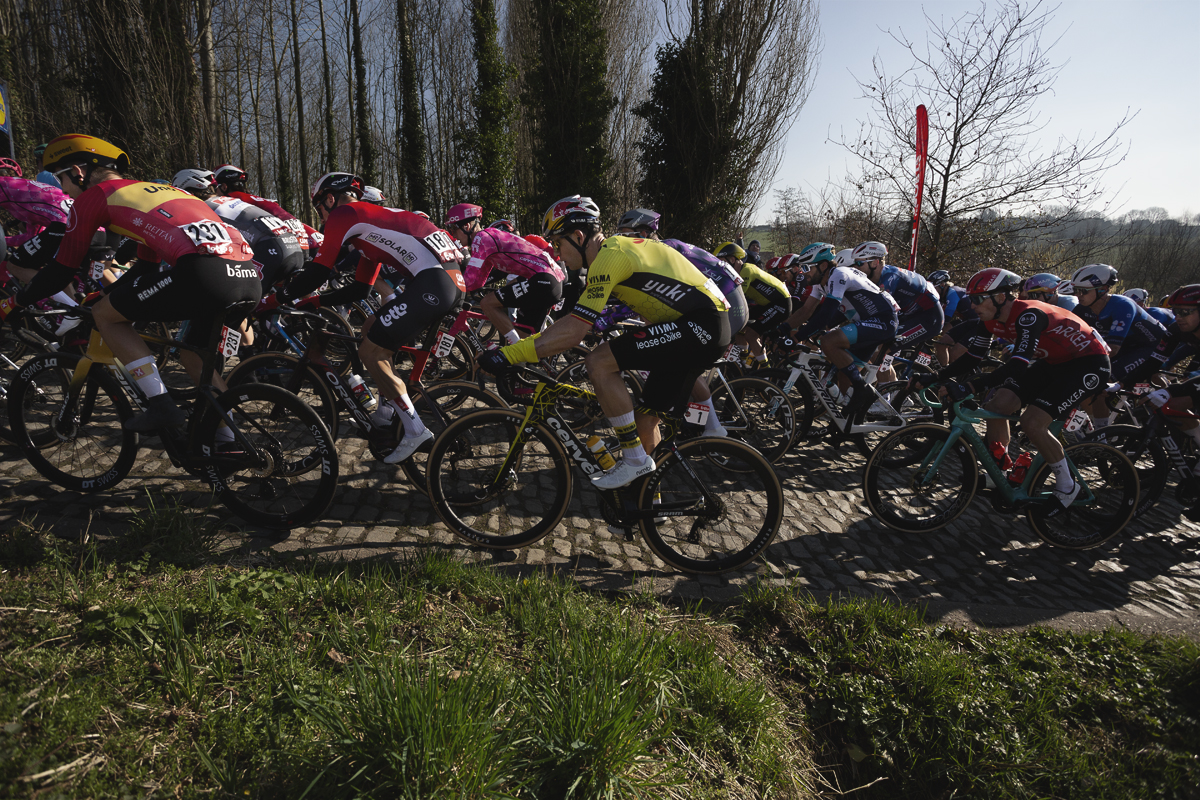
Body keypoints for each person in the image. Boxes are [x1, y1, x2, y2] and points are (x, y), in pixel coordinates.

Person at [0, 134, 261, 432]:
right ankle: (230, 438)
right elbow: (146, 269)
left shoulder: (95, 196)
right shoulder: (161, 190)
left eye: (61, 179)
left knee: (105, 317)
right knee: (191, 353)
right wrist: (106, 293)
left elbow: (62, 270)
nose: (62, 189)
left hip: (204, 273)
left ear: (78, 171)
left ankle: (162, 406)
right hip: (248, 275)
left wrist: (16, 302)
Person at [477, 195, 732, 489]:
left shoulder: (610, 257)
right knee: (645, 421)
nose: (557, 254)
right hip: (704, 326)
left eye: (558, 243)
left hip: (700, 326)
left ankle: (634, 459)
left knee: (599, 361)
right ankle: (647, 501)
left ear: (578, 236)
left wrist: (509, 355)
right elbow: (579, 322)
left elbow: (573, 332)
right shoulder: (615, 251)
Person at [261, 172, 466, 464]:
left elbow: (320, 270)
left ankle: (414, 429)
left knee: (371, 351)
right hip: (447, 281)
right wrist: (317, 300)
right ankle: (385, 412)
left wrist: (275, 299)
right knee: (371, 326)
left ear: (330, 199)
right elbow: (361, 288)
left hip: (434, 284)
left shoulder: (345, 214)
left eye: (319, 208)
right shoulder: (371, 226)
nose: (321, 217)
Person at [912, 268, 1111, 511]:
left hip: (1088, 364)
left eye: (977, 299)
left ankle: (1068, 485)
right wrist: (934, 376)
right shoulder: (990, 320)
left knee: (1033, 422)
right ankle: (1003, 473)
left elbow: (1017, 365)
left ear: (1000, 297)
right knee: (997, 405)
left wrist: (972, 385)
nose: (972, 305)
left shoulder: (1029, 315)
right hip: (1054, 363)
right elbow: (973, 357)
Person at [616, 207, 748, 438]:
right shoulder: (661, 247)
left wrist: (607, 316)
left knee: (684, 362)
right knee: (681, 365)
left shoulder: (661, 250)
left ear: (644, 234)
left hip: (728, 303)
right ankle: (696, 422)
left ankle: (713, 428)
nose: (623, 241)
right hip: (724, 299)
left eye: (627, 235)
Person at [785, 243, 899, 418]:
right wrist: (780, 330)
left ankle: (862, 390)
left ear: (823, 265)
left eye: (807, 267)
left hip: (883, 321)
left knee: (829, 341)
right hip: (868, 324)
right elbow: (805, 311)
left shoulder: (839, 275)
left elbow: (826, 315)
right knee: (844, 375)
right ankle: (851, 424)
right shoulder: (820, 283)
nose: (803, 272)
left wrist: (797, 338)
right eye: (801, 267)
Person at [445, 202, 566, 345]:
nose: (453, 235)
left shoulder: (481, 238)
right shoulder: (488, 238)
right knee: (526, 339)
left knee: (487, 303)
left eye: (453, 229)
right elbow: (476, 282)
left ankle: (516, 349)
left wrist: (446, 286)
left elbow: (469, 279)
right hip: (551, 279)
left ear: (466, 227)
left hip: (544, 279)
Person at [171, 168, 304, 292]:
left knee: (234, 300)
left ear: (190, 192)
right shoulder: (230, 201)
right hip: (293, 247)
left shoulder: (204, 209)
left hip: (271, 250)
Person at [1068, 264, 1167, 429]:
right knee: (1086, 382)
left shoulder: (1122, 305)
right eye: (1076, 290)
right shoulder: (1082, 309)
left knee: (1098, 381)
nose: (1078, 295)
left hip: (1150, 347)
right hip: (1126, 347)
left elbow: (1112, 350)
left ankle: (1102, 435)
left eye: (1083, 291)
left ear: (1103, 290)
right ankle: (1099, 428)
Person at [851, 241, 943, 381]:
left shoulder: (890, 278)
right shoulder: (875, 277)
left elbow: (877, 312)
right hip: (910, 315)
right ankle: (892, 389)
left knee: (881, 348)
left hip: (929, 318)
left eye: (859, 264)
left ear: (875, 263)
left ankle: (885, 395)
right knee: (877, 348)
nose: (855, 268)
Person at [212, 164, 321, 252]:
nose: (214, 193)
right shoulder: (257, 199)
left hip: (293, 245)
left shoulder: (234, 201)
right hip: (313, 241)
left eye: (215, 188)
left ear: (224, 187)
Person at [715, 241, 790, 365]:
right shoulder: (736, 274)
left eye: (722, 262)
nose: (720, 266)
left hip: (781, 304)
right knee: (740, 326)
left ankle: (766, 371)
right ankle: (742, 363)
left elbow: (733, 298)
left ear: (732, 260)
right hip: (767, 305)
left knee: (750, 334)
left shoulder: (746, 271)